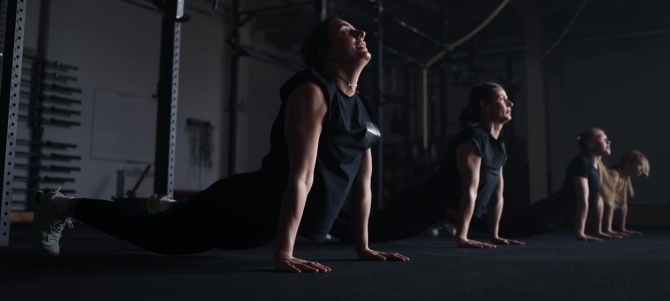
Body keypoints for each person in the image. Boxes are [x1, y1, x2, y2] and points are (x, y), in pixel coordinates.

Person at [30, 17, 409, 273]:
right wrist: (284, 253)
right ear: (326, 51)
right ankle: (60, 205)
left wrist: (364, 248)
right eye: (347, 31)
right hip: (249, 203)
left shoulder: (362, 106)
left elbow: (363, 186)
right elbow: (302, 174)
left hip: (264, 223)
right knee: (157, 239)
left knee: (218, 240)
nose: (360, 34)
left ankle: (172, 208)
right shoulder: (312, 91)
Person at [332, 82, 525, 248]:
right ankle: (314, 215)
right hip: (421, 204)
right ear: (485, 106)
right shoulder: (472, 137)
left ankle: (321, 218)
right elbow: (470, 190)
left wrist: (495, 235)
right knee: (365, 232)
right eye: (502, 99)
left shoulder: (499, 146)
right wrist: (462, 237)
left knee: (373, 233)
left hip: (438, 214)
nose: (510, 103)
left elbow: (497, 196)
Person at [565, 128, 613, 241]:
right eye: (604, 139)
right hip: (551, 213)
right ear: (590, 144)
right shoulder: (582, 163)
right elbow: (582, 200)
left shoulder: (597, 166)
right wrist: (580, 233)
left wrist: (598, 231)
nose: (608, 142)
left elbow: (598, 199)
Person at [599, 149, 650, 236]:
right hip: (594, 204)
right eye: (639, 165)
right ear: (627, 164)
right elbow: (609, 203)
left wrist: (622, 228)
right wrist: (608, 229)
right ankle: (606, 228)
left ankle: (619, 228)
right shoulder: (614, 175)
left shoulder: (625, 177)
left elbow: (624, 204)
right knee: (610, 203)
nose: (641, 169)